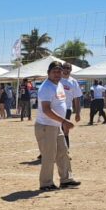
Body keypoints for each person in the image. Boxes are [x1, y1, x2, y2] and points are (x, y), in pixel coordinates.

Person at [33, 61, 80, 192]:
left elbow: (59, 105)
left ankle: (66, 180)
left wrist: (61, 123)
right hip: (46, 126)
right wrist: (64, 121)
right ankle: (46, 183)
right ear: (48, 73)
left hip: (56, 125)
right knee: (49, 156)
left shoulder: (59, 84)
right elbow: (47, 110)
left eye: (59, 71)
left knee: (63, 153)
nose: (57, 74)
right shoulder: (46, 87)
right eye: (54, 71)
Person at [61, 63, 82, 148]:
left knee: (65, 129)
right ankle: (46, 152)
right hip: (55, 108)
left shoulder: (73, 82)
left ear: (71, 70)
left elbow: (77, 98)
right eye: (65, 68)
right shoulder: (57, 79)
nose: (66, 70)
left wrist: (77, 113)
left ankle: (66, 151)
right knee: (53, 129)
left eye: (68, 68)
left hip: (67, 109)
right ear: (62, 69)